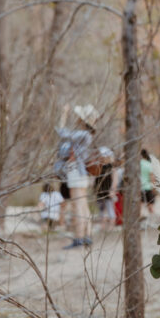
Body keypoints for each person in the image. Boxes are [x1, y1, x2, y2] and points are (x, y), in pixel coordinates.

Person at [56, 104, 98, 248]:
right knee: (83, 204)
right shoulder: (86, 135)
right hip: (80, 172)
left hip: (75, 171)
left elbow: (63, 133)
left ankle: (79, 237)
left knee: (77, 204)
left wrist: (64, 114)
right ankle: (87, 236)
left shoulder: (83, 134)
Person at [140, 149, 156, 213]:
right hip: (148, 187)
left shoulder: (138, 164)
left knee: (140, 205)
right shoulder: (149, 164)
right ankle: (151, 219)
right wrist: (154, 187)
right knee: (150, 205)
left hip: (140, 187)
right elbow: (152, 177)